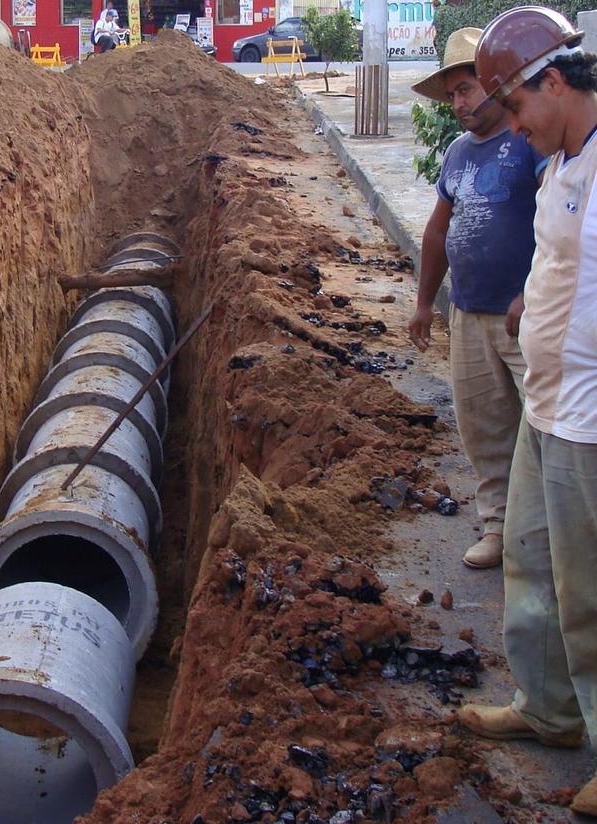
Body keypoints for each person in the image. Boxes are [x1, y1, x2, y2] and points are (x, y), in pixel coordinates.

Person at [454, 8, 597, 816]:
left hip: (590, 422)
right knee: (530, 564)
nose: (509, 124)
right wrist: (528, 307)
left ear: (554, 80)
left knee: (590, 590)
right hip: (547, 407)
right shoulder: (557, 166)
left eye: (514, 105)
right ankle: (549, 711)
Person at [408, 27, 546, 570]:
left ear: (493, 84)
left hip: (524, 317)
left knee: (543, 427)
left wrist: (532, 292)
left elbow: (563, 226)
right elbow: (438, 231)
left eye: (466, 89)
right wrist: (425, 303)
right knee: (484, 429)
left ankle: (547, 538)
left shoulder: (530, 140)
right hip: (467, 312)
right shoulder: (458, 154)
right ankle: (498, 526)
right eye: (453, 95)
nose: (459, 103)